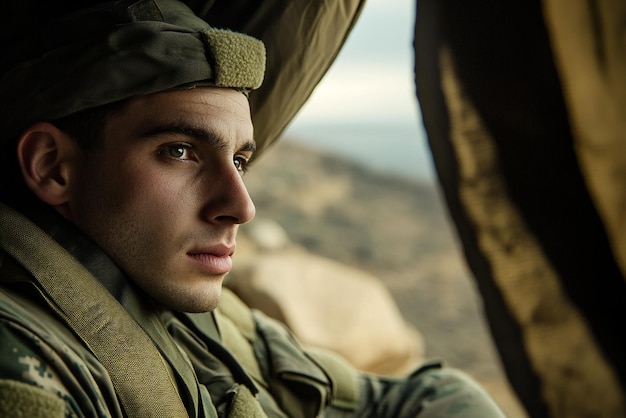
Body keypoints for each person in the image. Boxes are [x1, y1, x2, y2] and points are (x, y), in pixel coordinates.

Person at [0, 0, 506, 416]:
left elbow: (405, 400)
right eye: (180, 151)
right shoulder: (26, 359)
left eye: (240, 159)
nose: (240, 206)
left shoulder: (191, 306)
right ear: (52, 167)